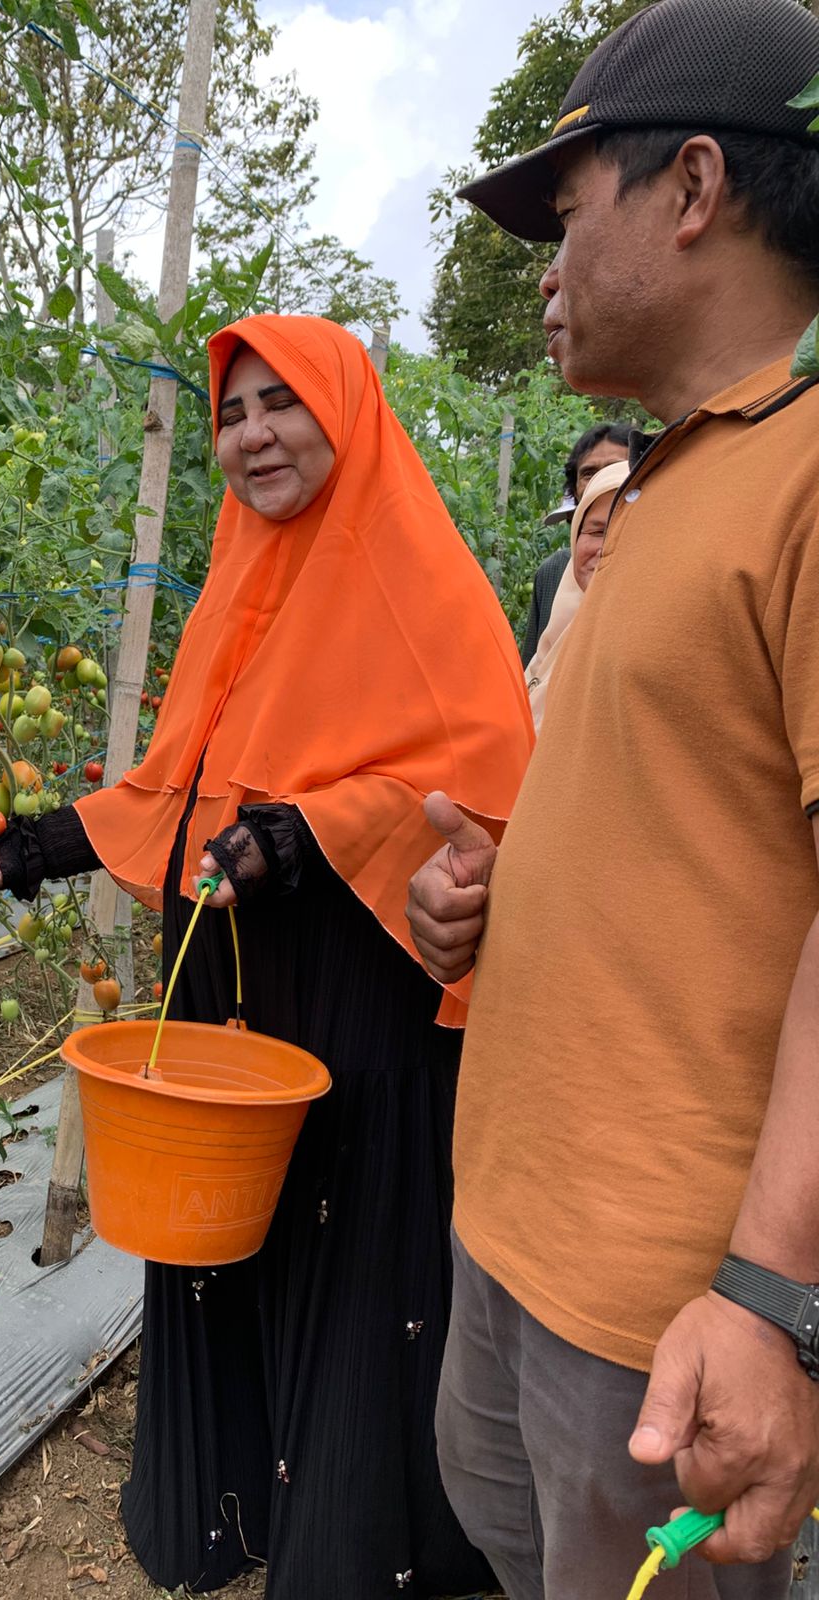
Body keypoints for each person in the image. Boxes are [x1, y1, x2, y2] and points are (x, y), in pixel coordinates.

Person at [0, 313, 533, 1597]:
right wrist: (28, 846)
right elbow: (181, 783)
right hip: (234, 973)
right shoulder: (241, 582)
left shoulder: (422, 581)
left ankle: (359, 1548)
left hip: (357, 979)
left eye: (282, 403)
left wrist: (303, 833)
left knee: (349, 1242)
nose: (252, 434)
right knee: (232, 1232)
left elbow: (479, 777)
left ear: (346, 413)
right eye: (230, 412)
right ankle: (228, 1507)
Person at [405, 0, 819, 1595]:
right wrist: (496, 899)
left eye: (568, 215)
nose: (546, 267)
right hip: (523, 1226)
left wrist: (771, 1293)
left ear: (694, 186)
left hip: (668, 1303)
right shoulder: (666, 482)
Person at [519, 421, 634, 664]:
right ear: (575, 489)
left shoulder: (658, 568)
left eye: (614, 469)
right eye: (589, 473)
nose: (601, 480)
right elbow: (534, 663)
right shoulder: (553, 571)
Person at [524, 458, 626, 732]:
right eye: (596, 531)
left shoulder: (646, 655)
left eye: (628, 530)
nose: (606, 547)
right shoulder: (558, 627)